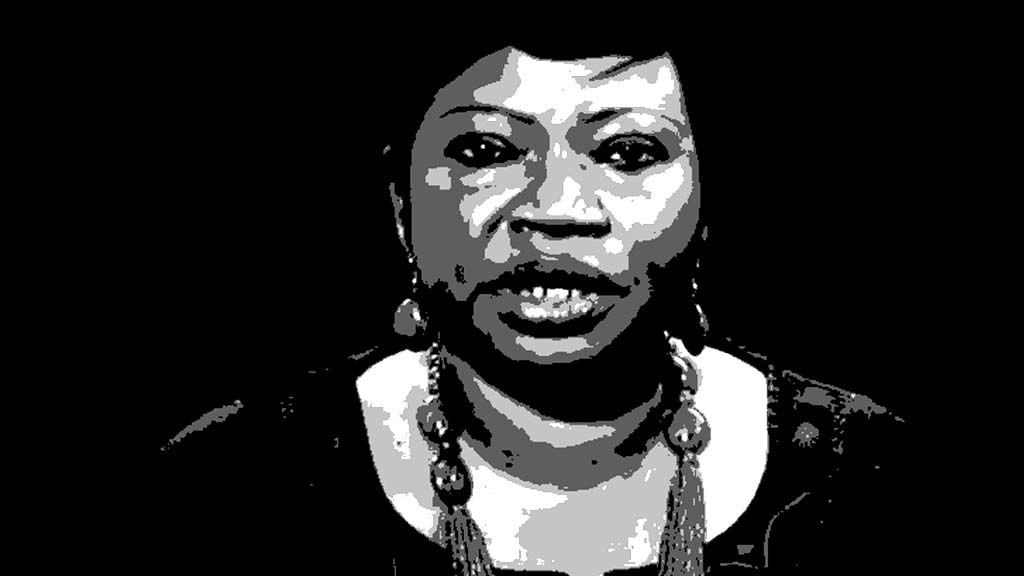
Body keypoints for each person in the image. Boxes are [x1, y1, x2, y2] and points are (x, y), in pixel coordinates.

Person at [153, 44, 909, 575]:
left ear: (709, 203)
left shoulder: (872, 485)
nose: (556, 209)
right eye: (485, 153)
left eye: (628, 154)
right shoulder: (233, 494)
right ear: (401, 207)